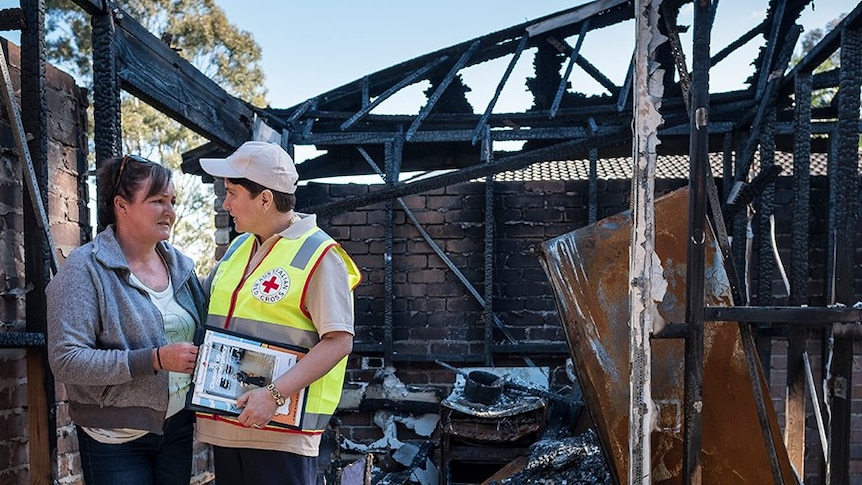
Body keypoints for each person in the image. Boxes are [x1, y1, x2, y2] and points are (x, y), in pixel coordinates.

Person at [196, 141, 361, 485]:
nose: (226, 204)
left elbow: (339, 341)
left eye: (232, 193)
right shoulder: (241, 245)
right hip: (229, 425)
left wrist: (273, 396)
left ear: (265, 198)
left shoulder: (319, 254)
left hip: (279, 433)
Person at [46, 154, 207, 485]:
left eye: (172, 201)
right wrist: (154, 359)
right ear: (121, 205)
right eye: (157, 201)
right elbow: (66, 360)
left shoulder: (182, 267)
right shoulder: (84, 269)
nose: (170, 211)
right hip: (114, 439)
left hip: (176, 428)